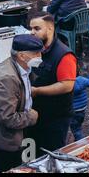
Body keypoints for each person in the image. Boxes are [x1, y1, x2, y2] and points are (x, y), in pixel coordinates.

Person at [0, 34, 42, 173]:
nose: (40, 56)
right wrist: (31, 117)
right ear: (21, 55)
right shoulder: (7, 78)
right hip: (4, 141)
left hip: (17, 134)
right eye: (36, 53)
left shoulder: (23, 68)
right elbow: (8, 118)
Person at [27, 13, 77, 156]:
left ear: (50, 29)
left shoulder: (64, 54)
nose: (32, 32)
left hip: (56, 118)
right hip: (37, 115)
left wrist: (37, 91)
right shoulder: (36, 48)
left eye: (37, 28)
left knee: (52, 156)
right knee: (33, 155)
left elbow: (67, 85)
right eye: (31, 28)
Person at [70, 73, 89, 141]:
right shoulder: (82, 80)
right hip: (82, 109)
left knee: (75, 129)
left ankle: (80, 142)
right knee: (77, 127)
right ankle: (78, 138)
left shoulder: (67, 84)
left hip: (72, 111)